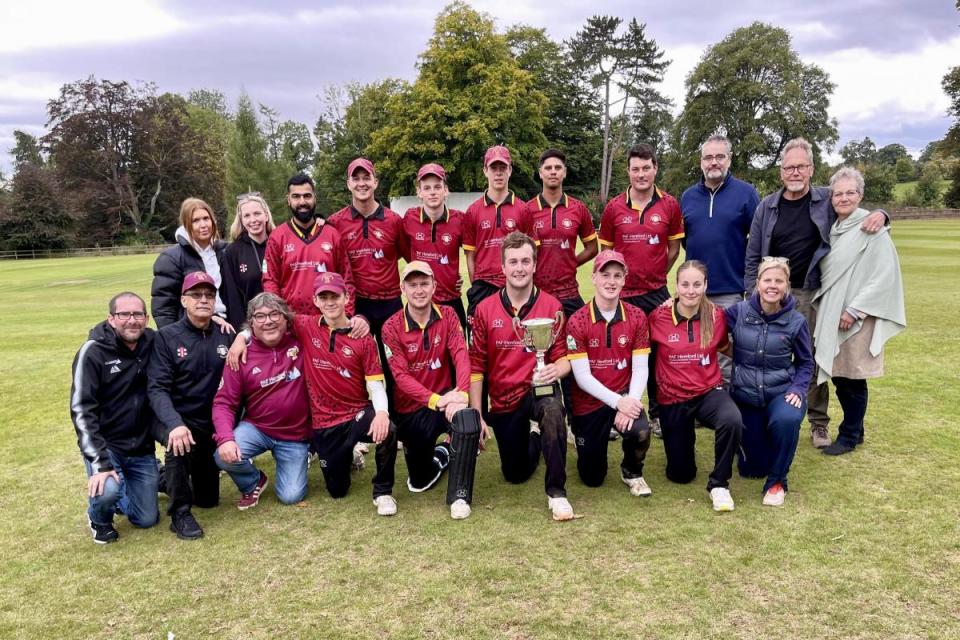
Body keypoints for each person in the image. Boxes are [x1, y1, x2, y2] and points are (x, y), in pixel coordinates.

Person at [745, 138, 888, 449]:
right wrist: (750, 294)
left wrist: (881, 213)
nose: (795, 172)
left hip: (811, 293)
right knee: (768, 356)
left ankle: (818, 424)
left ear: (810, 169)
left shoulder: (825, 199)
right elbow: (753, 254)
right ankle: (771, 415)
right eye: (789, 167)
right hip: (773, 294)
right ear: (781, 171)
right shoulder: (766, 207)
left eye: (801, 166)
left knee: (811, 359)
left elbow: (853, 207)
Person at [234, 272, 399, 514]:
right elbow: (271, 320)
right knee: (337, 491)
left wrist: (382, 413)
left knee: (389, 429)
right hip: (324, 424)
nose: (330, 302)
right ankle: (349, 453)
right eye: (324, 297)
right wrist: (241, 336)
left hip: (356, 414)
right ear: (316, 300)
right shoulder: (306, 325)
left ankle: (383, 492)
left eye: (335, 296)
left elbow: (375, 385)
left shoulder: (362, 338)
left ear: (346, 298)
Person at [469, 231, 574, 521]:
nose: (519, 268)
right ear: (502, 267)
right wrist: (477, 413)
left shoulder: (552, 306)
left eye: (525, 261)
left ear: (535, 265)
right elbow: (476, 366)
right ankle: (536, 436)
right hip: (504, 400)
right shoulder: (484, 310)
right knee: (514, 474)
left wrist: (558, 369)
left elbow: (565, 358)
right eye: (513, 262)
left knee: (553, 410)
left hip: (539, 388)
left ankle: (557, 493)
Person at [812, 167, 906, 456]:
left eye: (850, 192)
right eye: (838, 193)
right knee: (841, 374)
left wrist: (854, 310)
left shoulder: (872, 228)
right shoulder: (834, 228)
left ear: (860, 194)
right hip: (833, 310)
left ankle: (850, 435)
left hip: (855, 317)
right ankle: (858, 428)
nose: (843, 198)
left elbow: (883, 276)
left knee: (852, 377)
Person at [381, 261, 480, 520]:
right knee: (419, 482)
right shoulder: (390, 326)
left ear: (435, 286)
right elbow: (401, 377)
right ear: (402, 288)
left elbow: (461, 354)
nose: (419, 290)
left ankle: (459, 496)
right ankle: (445, 452)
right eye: (412, 285)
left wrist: (462, 394)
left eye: (424, 283)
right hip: (414, 410)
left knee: (467, 421)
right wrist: (438, 400)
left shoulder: (448, 314)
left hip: (449, 399)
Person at [598, 143, 685, 438]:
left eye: (646, 168)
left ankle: (658, 415)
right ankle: (615, 413)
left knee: (657, 355)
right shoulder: (613, 208)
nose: (641, 174)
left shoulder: (670, 205)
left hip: (656, 293)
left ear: (655, 169)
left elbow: (674, 248)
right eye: (635, 169)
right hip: (622, 295)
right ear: (628, 172)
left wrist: (659, 272)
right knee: (616, 353)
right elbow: (606, 253)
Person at [648, 260, 743, 512]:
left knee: (732, 419)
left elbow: (724, 346)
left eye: (697, 285)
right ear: (676, 286)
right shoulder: (658, 317)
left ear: (705, 286)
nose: (691, 290)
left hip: (707, 392)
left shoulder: (716, 316)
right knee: (680, 475)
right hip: (672, 398)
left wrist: (758, 361)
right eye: (685, 284)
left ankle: (719, 484)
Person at [147, 272, 234, 539]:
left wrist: (240, 336)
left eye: (209, 295)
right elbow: (157, 388)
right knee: (178, 443)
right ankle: (179, 513)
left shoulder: (225, 333)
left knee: (208, 499)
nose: (203, 300)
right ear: (184, 300)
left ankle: (160, 479)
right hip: (175, 417)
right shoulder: (165, 338)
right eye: (196, 295)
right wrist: (174, 424)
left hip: (208, 421)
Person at [70, 292, 159, 543]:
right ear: (111, 319)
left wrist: (217, 321)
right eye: (124, 314)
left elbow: (182, 333)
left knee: (147, 520)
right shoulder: (92, 352)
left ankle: (138, 483)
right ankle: (98, 519)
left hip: (141, 447)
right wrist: (100, 463)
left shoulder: (152, 341)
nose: (132, 320)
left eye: (138, 314)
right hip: (107, 447)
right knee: (107, 490)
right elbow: (81, 410)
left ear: (146, 318)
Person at [726, 258, 813, 506]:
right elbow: (707, 319)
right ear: (758, 283)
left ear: (786, 285)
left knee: (787, 419)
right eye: (767, 280)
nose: (772, 285)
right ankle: (752, 445)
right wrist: (674, 301)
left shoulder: (796, 321)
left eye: (779, 281)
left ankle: (777, 481)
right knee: (751, 469)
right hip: (745, 396)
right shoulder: (739, 312)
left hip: (780, 393)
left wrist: (798, 388)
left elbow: (806, 362)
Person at [212, 293, 311, 509]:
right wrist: (226, 439)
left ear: (286, 319)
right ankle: (253, 481)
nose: (268, 321)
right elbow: (224, 403)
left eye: (275, 314)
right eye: (260, 316)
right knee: (223, 455)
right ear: (251, 323)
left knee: (291, 496)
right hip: (257, 428)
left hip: (294, 436)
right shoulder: (239, 355)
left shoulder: (302, 342)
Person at [566, 250, 652, 496]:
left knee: (641, 430)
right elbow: (582, 378)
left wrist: (631, 401)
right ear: (593, 277)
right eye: (605, 275)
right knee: (592, 478)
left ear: (625, 279)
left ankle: (632, 471)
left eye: (617, 275)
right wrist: (619, 402)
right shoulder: (578, 320)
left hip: (624, 396)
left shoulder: (636, 316)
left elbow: (640, 367)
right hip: (588, 404)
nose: (611, 282)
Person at [680, 135, 760, 385]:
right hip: (694, 291)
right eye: (708, 157)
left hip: (730, 289)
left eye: (719, 157)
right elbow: (687, 240)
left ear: (729, 159)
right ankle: (699, 402)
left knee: (725, 352)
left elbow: (757, 242)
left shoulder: (747, 194)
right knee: (695, 349)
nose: (714, 162)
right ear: (701, 161)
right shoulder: (688, 197)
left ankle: (724, 407)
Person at [262, 174, 363, 329]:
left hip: (329, 323)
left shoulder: (332, 234)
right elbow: (270, 281)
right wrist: (280, 316)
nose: (302, 202)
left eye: (307, 196)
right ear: (288, 200)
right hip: (292, 324)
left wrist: (346, 315)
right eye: (296, 196)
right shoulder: (277, 237)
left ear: (315, 198)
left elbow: (347, 279)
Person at [328, 158, 408, 340]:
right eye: (356, 179)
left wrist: (449, 279)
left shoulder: (394, 220)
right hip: (355, 304)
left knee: (393, 364)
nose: (362, 183)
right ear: (348, 184)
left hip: (390, 302)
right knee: (356, 364)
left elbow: (412, 257)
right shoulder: (335, 222)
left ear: (375, 182)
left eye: (366, 177)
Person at [463, 145, 534, 319]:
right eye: (493, 168)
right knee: (479, 344)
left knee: (515, 341)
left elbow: (532, 253)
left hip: (514, 284)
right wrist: (476, 284)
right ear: (485, 171)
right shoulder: (473, 211)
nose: (498, 173)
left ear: (510, 170)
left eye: (503, 168)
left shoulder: (523, 209)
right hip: (483, 285)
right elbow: (470, 255)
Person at [527, 149, 598, 317]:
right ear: (540, 173)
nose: (553, 171)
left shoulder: (578, 208)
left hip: (569, 293)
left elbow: (593, 248)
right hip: (536, 293)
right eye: (548, 167)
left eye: (558, 168)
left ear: (564, 173)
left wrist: (571, 263)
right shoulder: (527, 209)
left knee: (578, 339)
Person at [402, 163, 467, 328]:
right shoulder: (409, 218)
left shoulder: (459, 220)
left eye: (437, 187)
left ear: (446, 190)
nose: (432, 192)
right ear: (419, 192)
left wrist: (452, 275)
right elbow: (403, 250)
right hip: (420, 304)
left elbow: (473, 255)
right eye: (427, 188)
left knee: (458, 352)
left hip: (451, 300)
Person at [151, 197, 228, 329]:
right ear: (186, 225)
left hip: (226, 326)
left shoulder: (225, 251)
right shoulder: (171, 258)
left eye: (206, 218)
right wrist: (173, 338)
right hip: (191, 330)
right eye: (195, 220)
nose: (203, 225)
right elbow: (164, 307)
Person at [221, 192, 276, 330]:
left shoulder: (279, 244)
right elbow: (231, 297)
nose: (253, 220)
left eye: (257, 213)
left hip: (280, 323)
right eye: (247, 215)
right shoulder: (232, 252)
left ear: (266, 215)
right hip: (251, 328)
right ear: (241, 220)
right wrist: (244, 331)